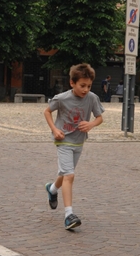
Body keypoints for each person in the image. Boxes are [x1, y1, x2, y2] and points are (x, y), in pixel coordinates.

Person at [44, 63, 104, 230]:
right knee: (70, 175)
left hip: (79, 141)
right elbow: (47, 112)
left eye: (89, 86)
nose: (85, 89)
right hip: (63, 141)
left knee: (65, 174)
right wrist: (54, 129)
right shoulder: (62, 98)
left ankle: (52, 189)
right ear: (72, 83)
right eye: (82, 85)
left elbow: (99, 118)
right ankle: (69, 215)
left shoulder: (92, 98)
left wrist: (91, 124)